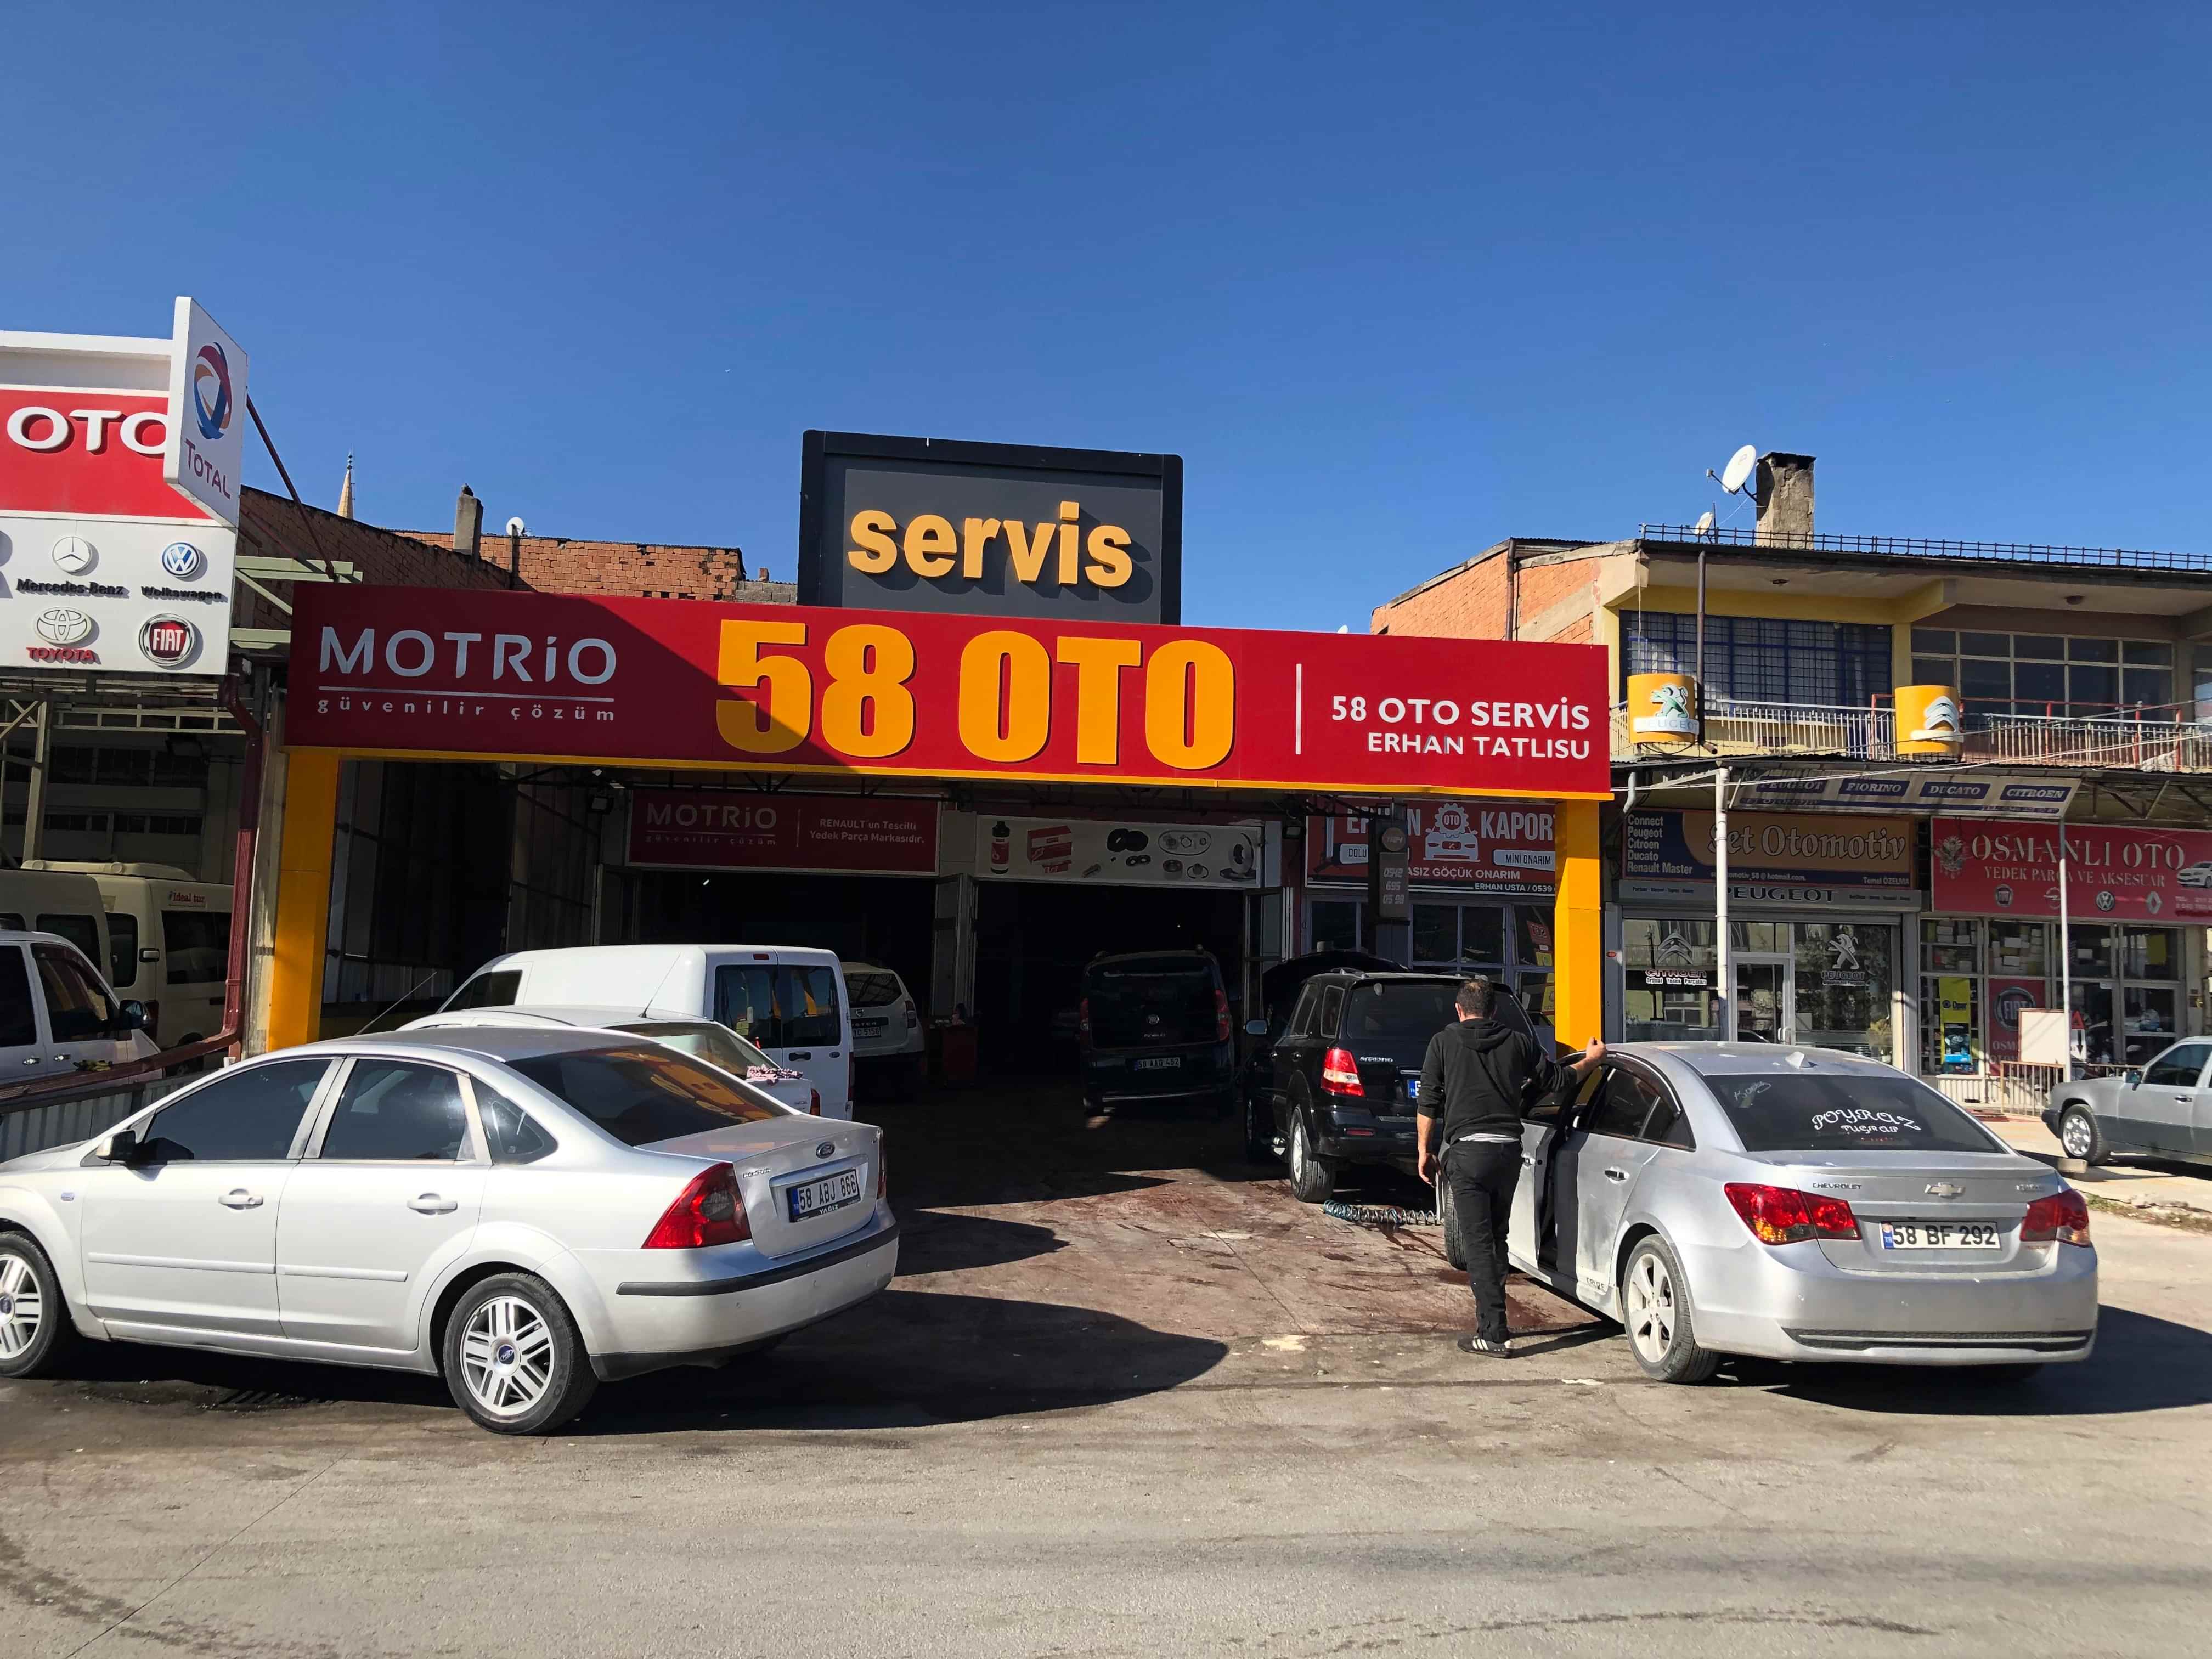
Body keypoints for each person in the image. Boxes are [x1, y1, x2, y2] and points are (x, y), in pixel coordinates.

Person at [1415, 977, 1604, 1358]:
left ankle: (1493, 1334)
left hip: (1468, 1154)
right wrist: (1592, 1060)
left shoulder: (1443, 1043)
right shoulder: (1518, 1042)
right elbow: (1558, 1081)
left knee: (1478, 1245)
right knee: (1496, 1237)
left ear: (1459, 1010)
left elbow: (1429, 1102)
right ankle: (1493, 1324)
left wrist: (1423, 1150)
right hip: (1506, 1153)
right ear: (1493, 1011)